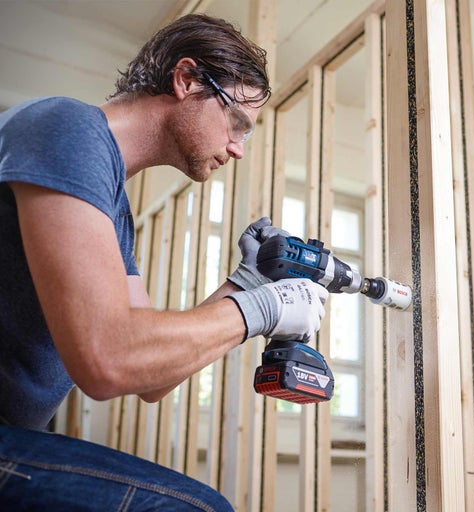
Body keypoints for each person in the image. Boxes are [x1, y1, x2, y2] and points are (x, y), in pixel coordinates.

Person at [0, 13, 328, 510]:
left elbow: (150, 378)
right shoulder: (68, 128)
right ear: (188, 79)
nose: (239, 147)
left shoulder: (112, 211)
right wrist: (264, 309)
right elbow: (109, 359)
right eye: (237, 122)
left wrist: (244, 285)